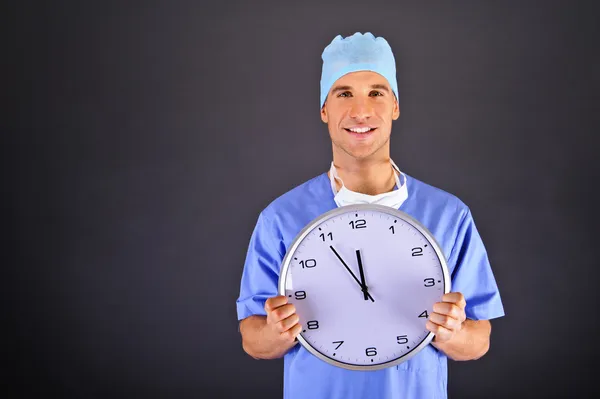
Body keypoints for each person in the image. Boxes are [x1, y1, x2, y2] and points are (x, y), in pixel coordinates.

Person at [236, 32, 505, 399]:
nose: (361, 111)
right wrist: (274, 332)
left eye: (376, 92)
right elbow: (253, 339)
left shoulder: (448, 215)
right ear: (324, 110)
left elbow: (479, 340)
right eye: (344, 93)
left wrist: (453, 332)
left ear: (395, 105)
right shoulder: (281, 218)